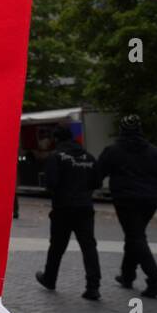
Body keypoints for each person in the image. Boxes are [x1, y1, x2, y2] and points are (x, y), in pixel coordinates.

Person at [94, 115, 157, 298]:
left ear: (121, 130)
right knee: (135, 236)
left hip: (126, 200)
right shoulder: (154, 151)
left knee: (135, 237)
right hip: (150, 200)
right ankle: (127, 275)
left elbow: (96, 176)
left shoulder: (113, 151)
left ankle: (155, 279)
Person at [34, 124, 101, 301]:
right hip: (85, 208)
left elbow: (50, 183)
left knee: (56, 246)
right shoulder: (88, 156)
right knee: (89, 247)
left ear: (56, 139)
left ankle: (50, 278)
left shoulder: (57, 157)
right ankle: (93, 286)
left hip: (63, 208)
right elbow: (97, 182)